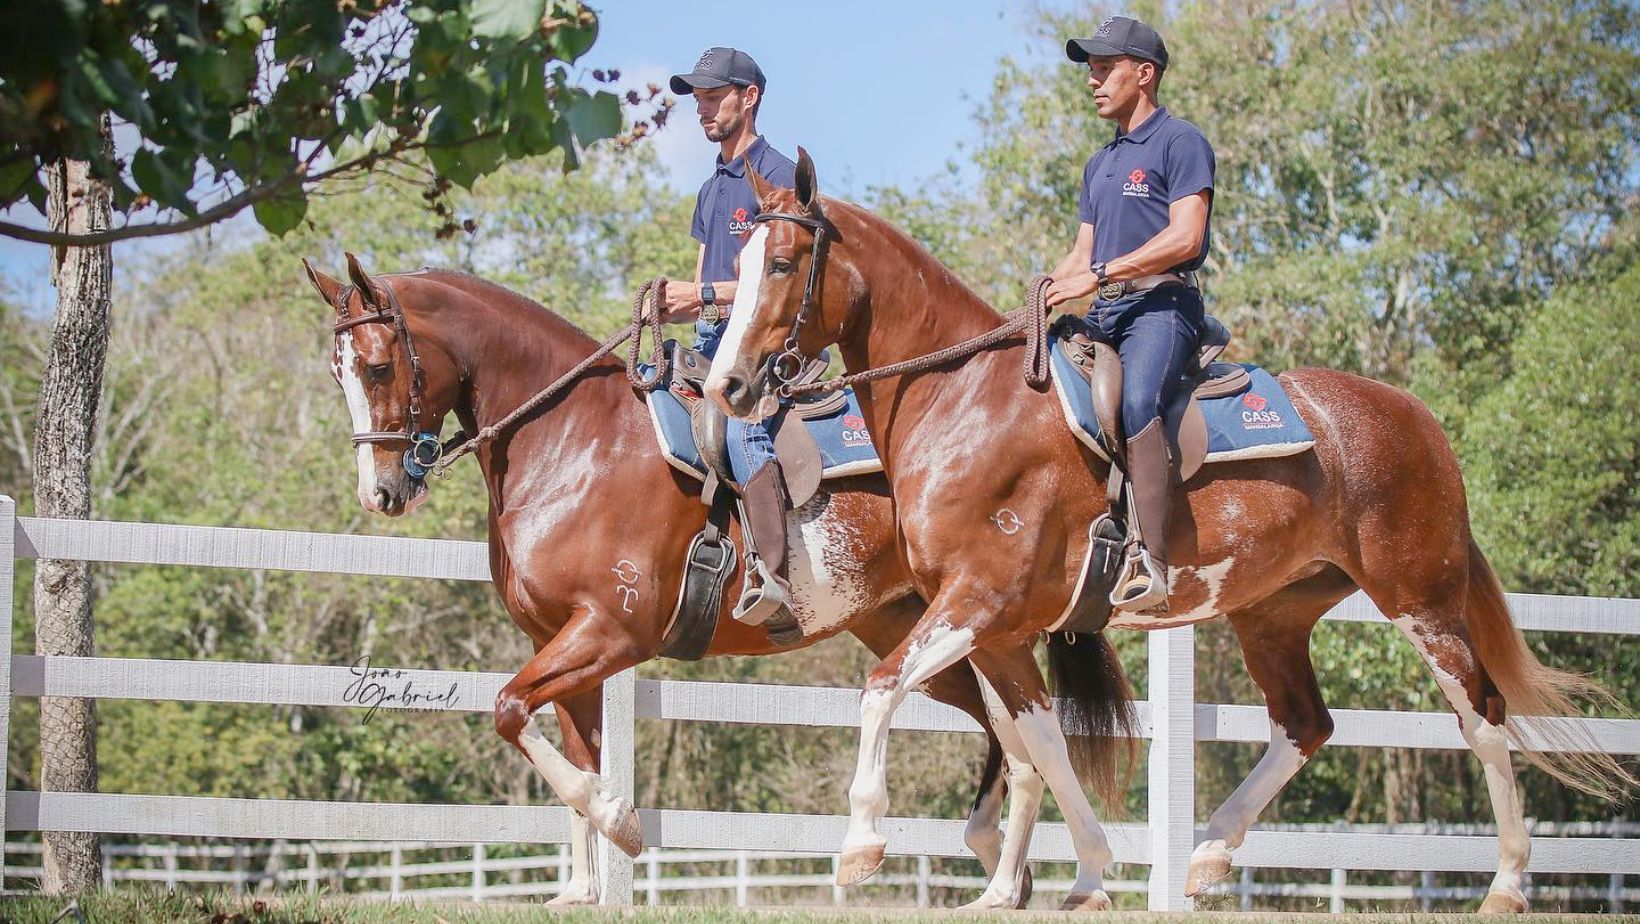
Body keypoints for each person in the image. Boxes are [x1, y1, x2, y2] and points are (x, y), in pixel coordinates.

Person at [1044, 16, 1216, 613]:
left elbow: (1186, 236)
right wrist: (1046, 290)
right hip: (1108, 309)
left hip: (1163, 306)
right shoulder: (1100, 164)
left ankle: (1152, 559)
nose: (1092, 81)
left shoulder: (1181, 142)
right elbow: (1083, 252)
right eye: (1090, 70)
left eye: (1103, 68)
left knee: (1138, 401)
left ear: (1144, 74)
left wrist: (1098, 277)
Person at [662, 47, 798, 626]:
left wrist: (705, 297)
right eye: (698, 98)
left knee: (741, 432)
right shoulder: (710, 187)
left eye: (714, 96)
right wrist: (673, 307)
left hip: (759, 342)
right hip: (712, 337)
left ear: (750, 97)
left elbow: (773, 281)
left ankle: (778, 579)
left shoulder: (780, 177)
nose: (703, 108)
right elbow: (702, 280)